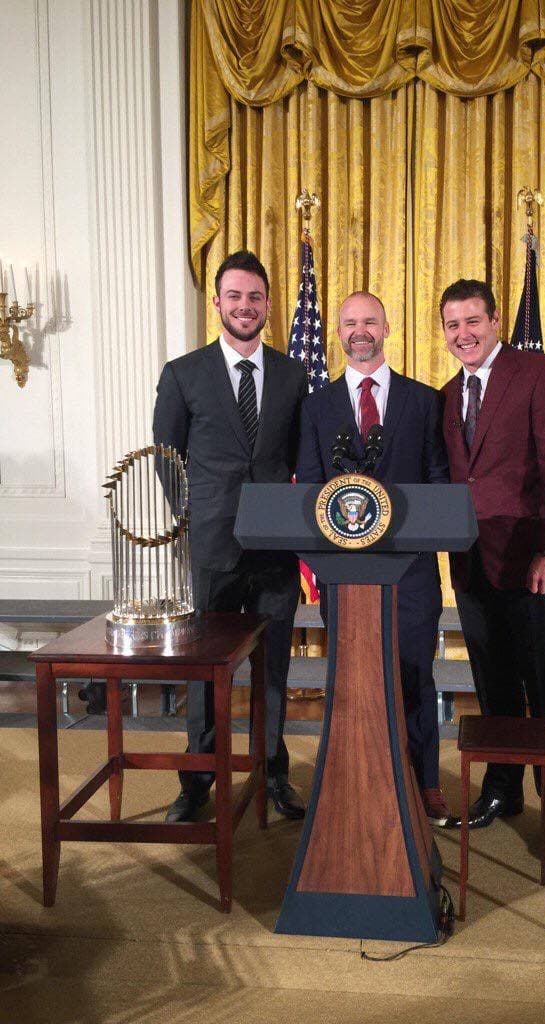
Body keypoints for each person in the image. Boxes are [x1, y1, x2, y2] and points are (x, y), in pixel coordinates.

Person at [153, 250, 308, 823]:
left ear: (268, 305)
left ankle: (272, 772)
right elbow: (168, 458)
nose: (245, 306)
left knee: (274, 668)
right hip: (213, 545)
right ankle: (196, 780)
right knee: (206, 668)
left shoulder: (293, 375)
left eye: (256, 297)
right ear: (217, 302)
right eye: (235, 296)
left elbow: (298, 457)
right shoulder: (183, 373)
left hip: (274, 547)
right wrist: (194, 519)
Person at [296, 291, 456, 827]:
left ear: (387, 327)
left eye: (369, 321)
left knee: (414, 675)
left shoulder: (423, 402)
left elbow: (437, 482)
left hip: (411, 574)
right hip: (344, 578)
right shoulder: (316, 407)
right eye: (349, 323)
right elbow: (310, 490)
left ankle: (424, 783)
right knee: (352, 681)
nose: (359, 330)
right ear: (338, 333)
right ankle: (351, 783)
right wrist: (322, 567)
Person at [439, 279, 545, 863]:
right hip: (474, 564)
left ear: (496, 320)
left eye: (473, 321)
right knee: (493, 688)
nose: (463, 334)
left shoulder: (540, 374)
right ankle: (502, 790)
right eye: (452, 325)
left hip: (534, 564)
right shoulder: (449, 394)